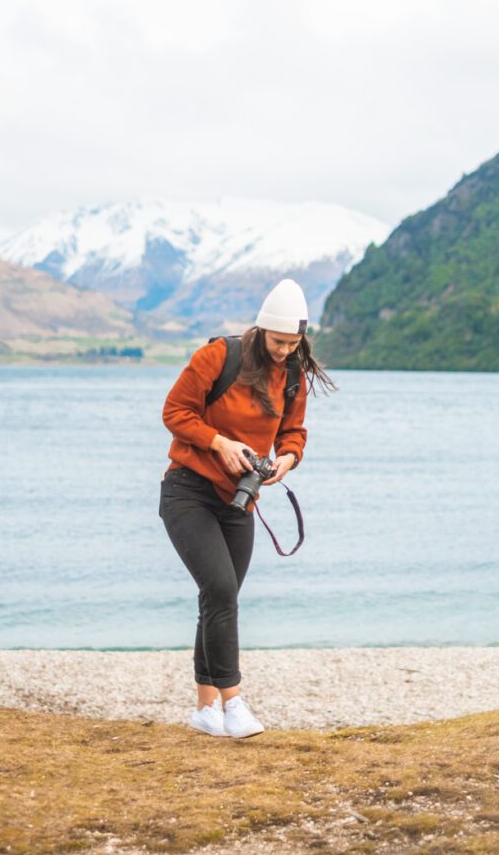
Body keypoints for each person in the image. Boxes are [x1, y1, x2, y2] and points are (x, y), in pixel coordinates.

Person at [160, 278, 335, 739]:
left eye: (294, 343)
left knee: (220, 599)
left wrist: (287, 460)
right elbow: (174, 413)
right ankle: (233, 701)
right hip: (187, 491)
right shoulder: (218, 357)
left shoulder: (293, 373)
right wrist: (218, 442)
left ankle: (204, 710)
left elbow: (294, 431)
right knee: (219, 590)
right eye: (279, 342)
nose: (284, 351)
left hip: (241, 499)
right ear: (262, 331)